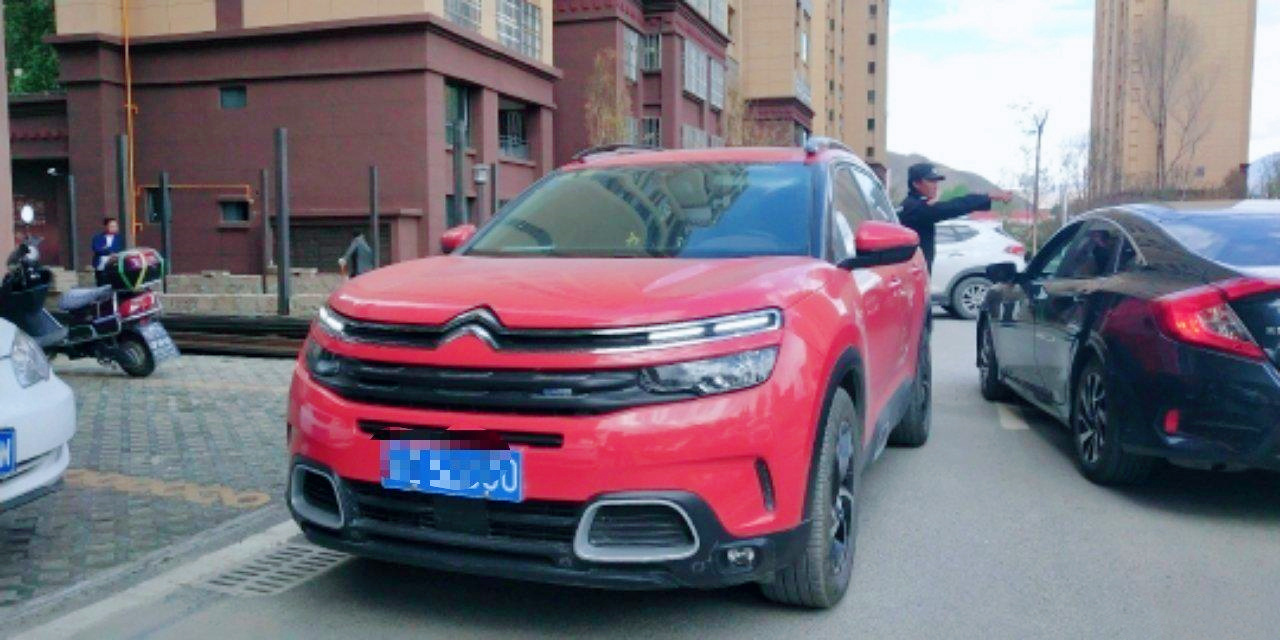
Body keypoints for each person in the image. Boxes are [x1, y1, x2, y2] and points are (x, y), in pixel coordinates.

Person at [898, 163, 1014, 270]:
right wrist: (987, 197)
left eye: (936, 181)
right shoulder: (914, 208)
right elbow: (954, 207)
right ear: (916, 183)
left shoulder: (916, 205)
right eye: (931, 181)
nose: (935, 186)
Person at [91, 218, 124, 286]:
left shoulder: (119, 238)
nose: (114, 228)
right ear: (106, 226)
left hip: (114, 266)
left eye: (115, 226)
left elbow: (119, 250)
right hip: (101, 266)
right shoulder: (98, 237)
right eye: (112, 226)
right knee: (101, 285)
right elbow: (97, 249)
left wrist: (106, 249)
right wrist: (110, 252)